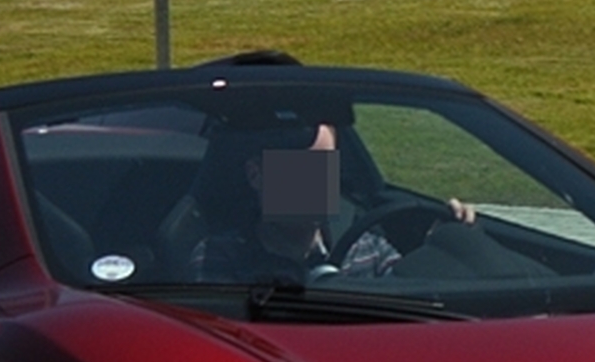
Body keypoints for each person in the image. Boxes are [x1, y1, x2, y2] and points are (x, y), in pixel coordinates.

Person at [188, 121, 470, 284]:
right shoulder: (220, 259)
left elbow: (410, 293)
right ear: (256, 174)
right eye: (297, 168)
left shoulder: (363, 248)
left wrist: (445, 246)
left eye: (324, 167)